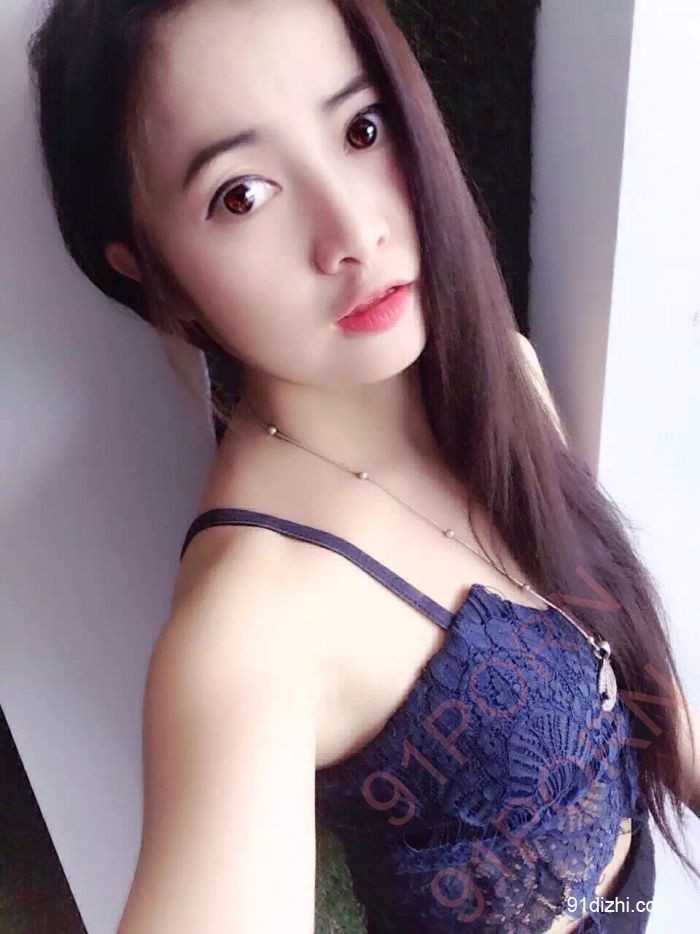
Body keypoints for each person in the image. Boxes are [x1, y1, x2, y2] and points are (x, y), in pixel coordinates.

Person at [26, 1, 699, 931]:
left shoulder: (504, 377)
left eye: (361, 128)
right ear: (150, 268)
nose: (353, 230)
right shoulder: (253, 628)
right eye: (241, 195)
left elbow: (620, 659)